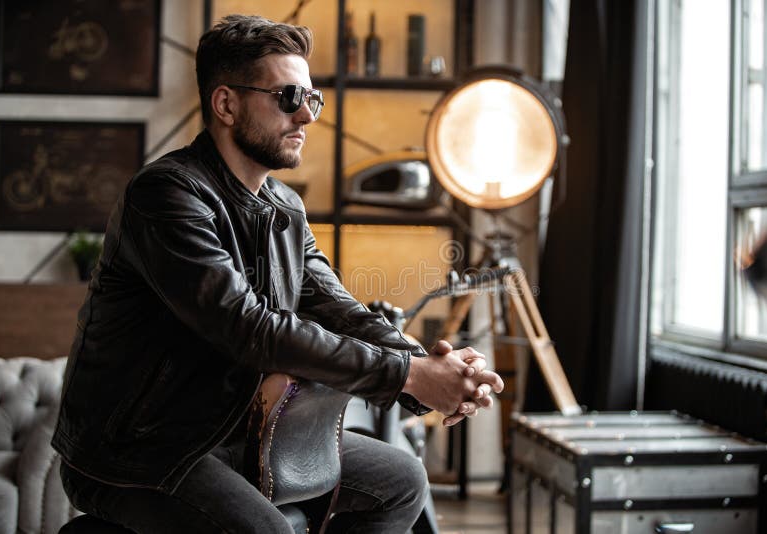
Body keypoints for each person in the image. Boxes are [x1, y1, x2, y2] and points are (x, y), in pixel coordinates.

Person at [52, 14, 504, 534]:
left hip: (237, 432)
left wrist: (429, 368)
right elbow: (250, 329)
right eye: (289, 98)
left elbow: (339, 310)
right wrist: (408, 375)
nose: (308, 116)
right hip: (138, 449)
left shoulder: (284, 206)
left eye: (313, 99)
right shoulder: (167, 196)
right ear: (226, 104)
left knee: (400, 480)